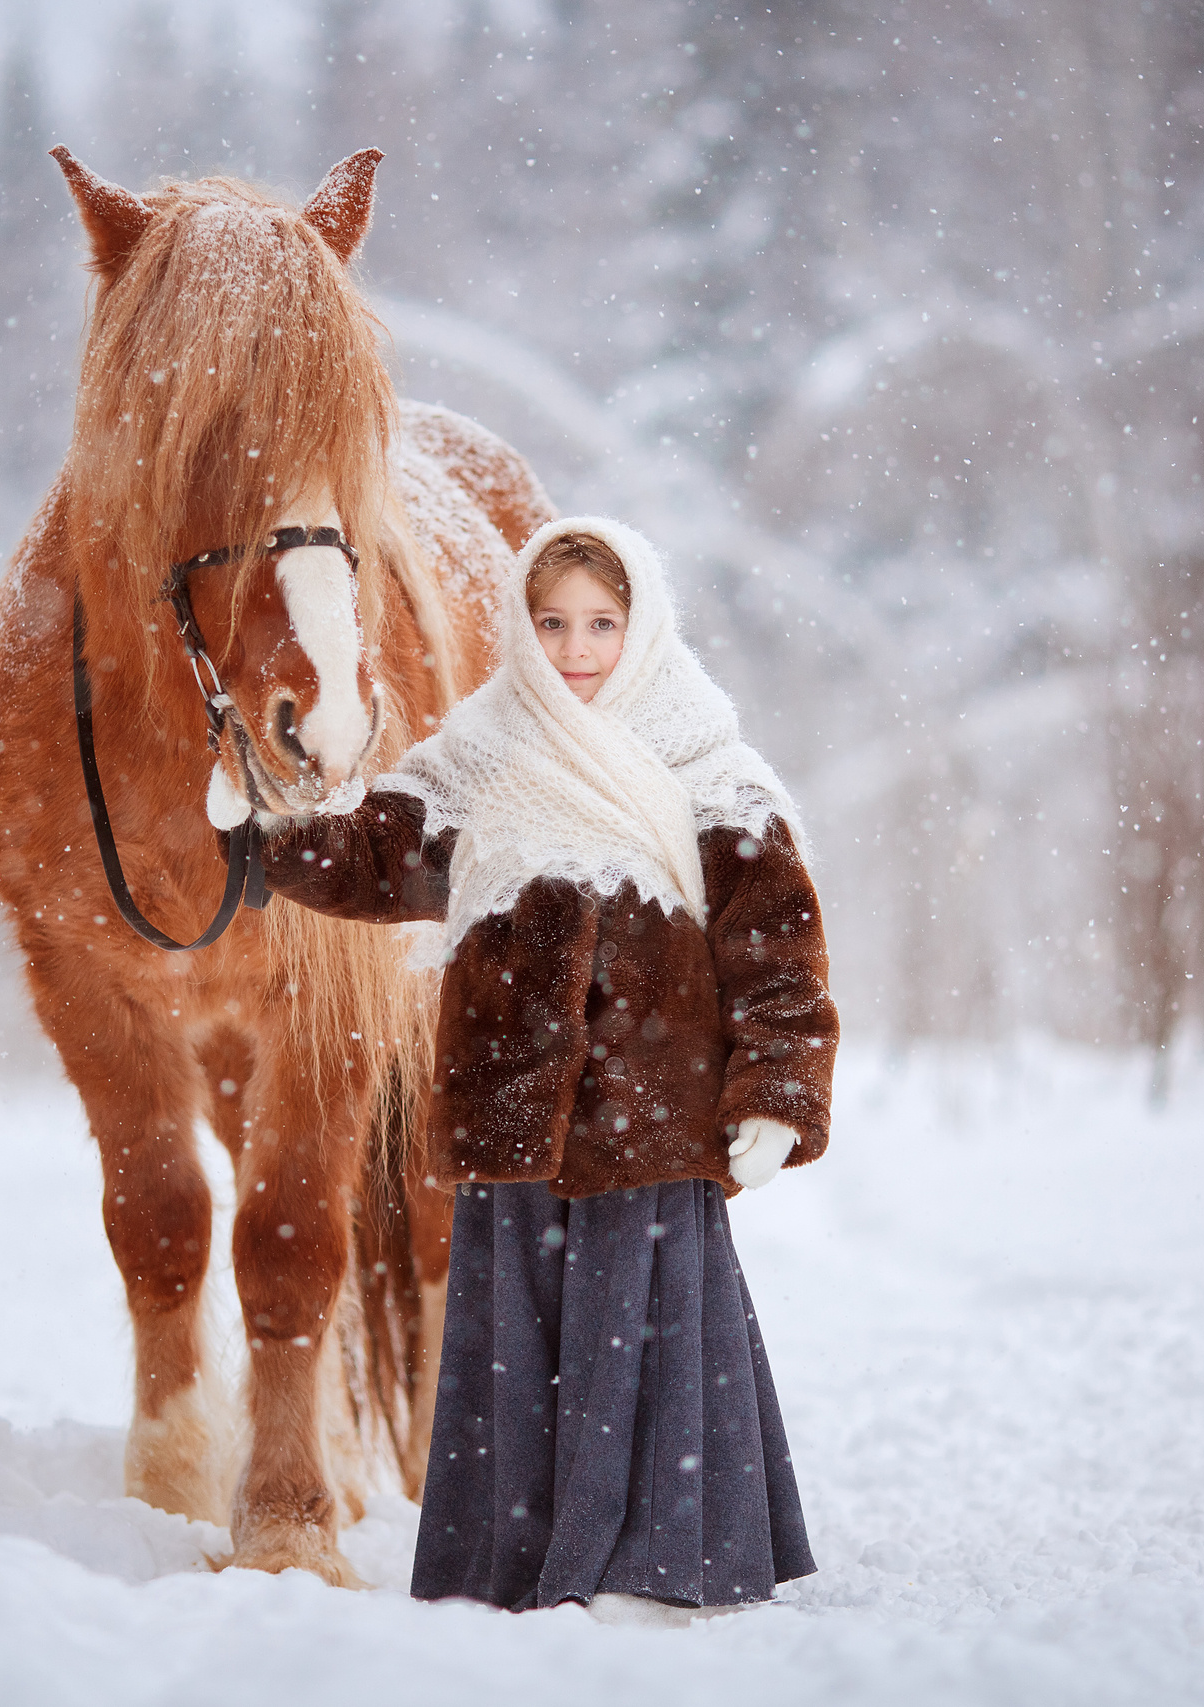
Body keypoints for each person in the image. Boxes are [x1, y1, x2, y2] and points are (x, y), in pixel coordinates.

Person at [255, 516, 838, 1624]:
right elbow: (373, 858)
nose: (576, 648)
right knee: (515, 1348)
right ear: (521, 628)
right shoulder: (483, 753)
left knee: (643, 1336)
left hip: (653, 1125)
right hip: (510, 1119)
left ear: (645, 627)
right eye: (552, 620)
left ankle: (651, 1562)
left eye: (603, 624)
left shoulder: (712, 770)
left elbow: (776, 953)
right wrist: (273, 822)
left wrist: (776, 1093)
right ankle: (512, 1565)